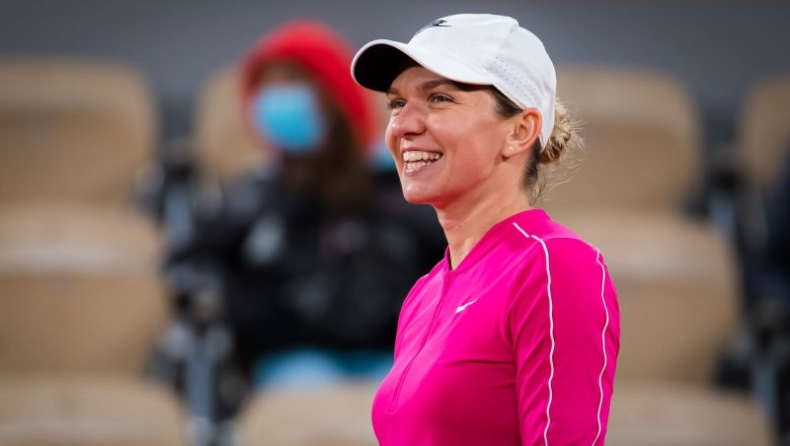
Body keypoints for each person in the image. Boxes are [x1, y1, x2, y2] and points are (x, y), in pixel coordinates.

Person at [350, 13, 621, 445]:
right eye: (397, 104)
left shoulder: (555, 265)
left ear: (520, 131)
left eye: (439, 98)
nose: (401, 126)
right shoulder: (423, 293)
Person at [166, 20, 445, 394]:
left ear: (333, 96)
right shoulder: (253, 196)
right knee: (309, 390)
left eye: (292, 81)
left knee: (406, 397)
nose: (277, 97)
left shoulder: (402, 187)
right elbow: (192, 265)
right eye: (268, 87)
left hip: (396, 358)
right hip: (291, 363)